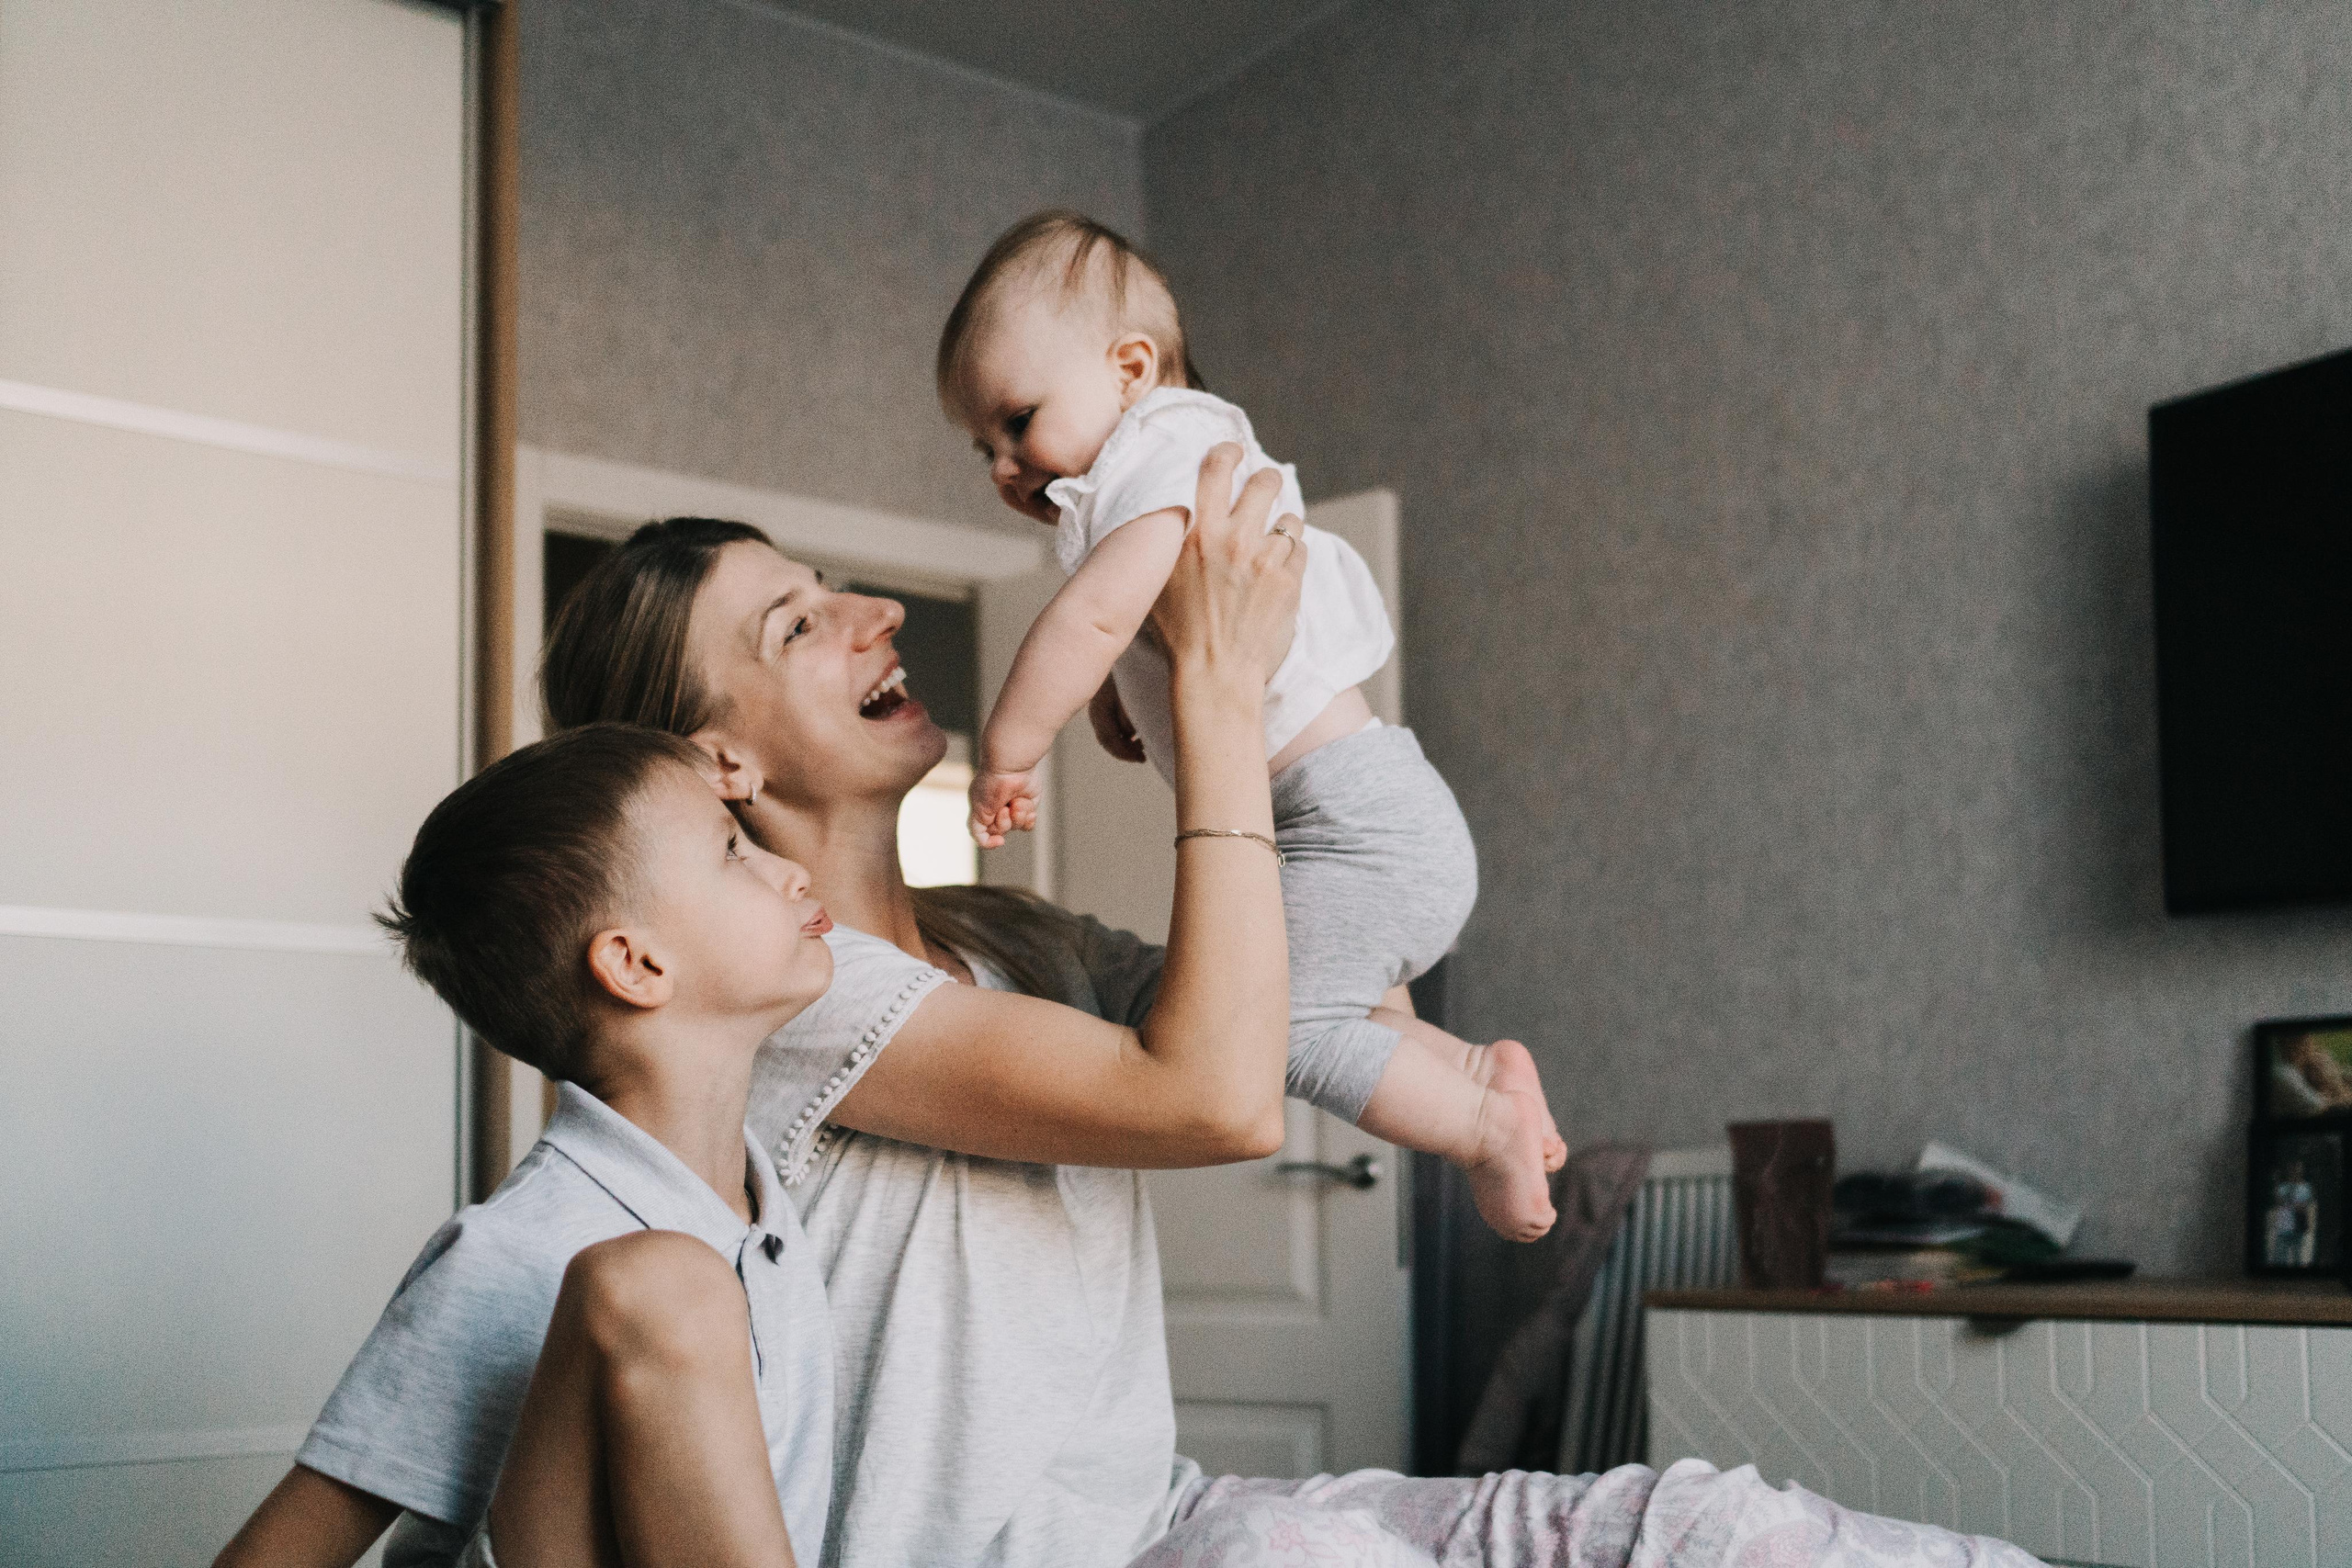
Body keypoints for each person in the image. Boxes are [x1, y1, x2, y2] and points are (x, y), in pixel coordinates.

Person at [540, 452, 2044, 1568]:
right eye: (798, 624)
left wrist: (1304, 719)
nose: (871, 613)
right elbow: (1215, 1095)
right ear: (721, 761)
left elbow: (1315, 996)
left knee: (1708, 1523)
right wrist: (1209, 693)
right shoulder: (777, 1001)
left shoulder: (1009, 935)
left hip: (1165, 1515)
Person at [938, 209, 1559, 1242]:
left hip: (1351, 834)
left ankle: (1479, 1125)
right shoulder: (1160, 474)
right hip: (1362, 823)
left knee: (1260, 1033)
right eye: (982, 447)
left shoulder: (1162, 453)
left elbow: (1092, 616)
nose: (1004, 464)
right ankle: (1472, 1075)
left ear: (1131, 367)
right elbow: (1129, 616)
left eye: (1017, 419)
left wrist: (1008, 749)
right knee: (1332, 1022)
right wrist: (1109, 694)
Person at [213, 726, 841, 1568]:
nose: (788, 869)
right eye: (733, 850)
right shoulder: (520, 1247)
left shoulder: (762, 1202)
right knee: (666, 1282)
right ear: (637, 964)